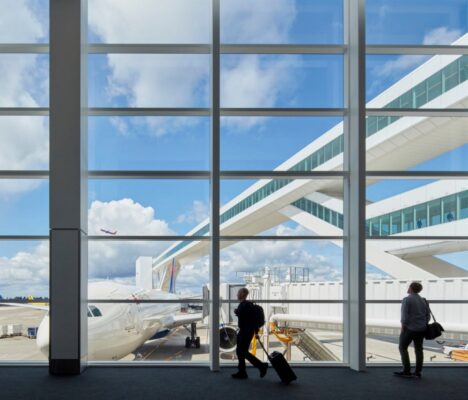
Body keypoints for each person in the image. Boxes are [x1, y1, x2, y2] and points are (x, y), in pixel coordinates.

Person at [394, 281, 430, 379]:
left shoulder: (407, 299)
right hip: (421, 329)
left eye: (408, 287)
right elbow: (428, 317)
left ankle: (406, 370)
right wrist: (422, 324)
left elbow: (404, 316)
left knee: (402, 347)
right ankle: (418, 372)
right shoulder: (424, 300)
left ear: (411, 288)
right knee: (419, 350)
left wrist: (403, 328)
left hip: (410, 329)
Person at [231, 288, 268, 379]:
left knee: (242, 352)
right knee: (240, 352)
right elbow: (251, 319)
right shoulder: (246, 305)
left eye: (239, 292)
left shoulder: (245, 305)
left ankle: (261, 366)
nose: (237, 295)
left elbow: (250, 319)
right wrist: (255, 332)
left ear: (243, 294)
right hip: (246, 331)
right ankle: (242, 372)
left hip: (245, 332)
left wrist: (238, 313)